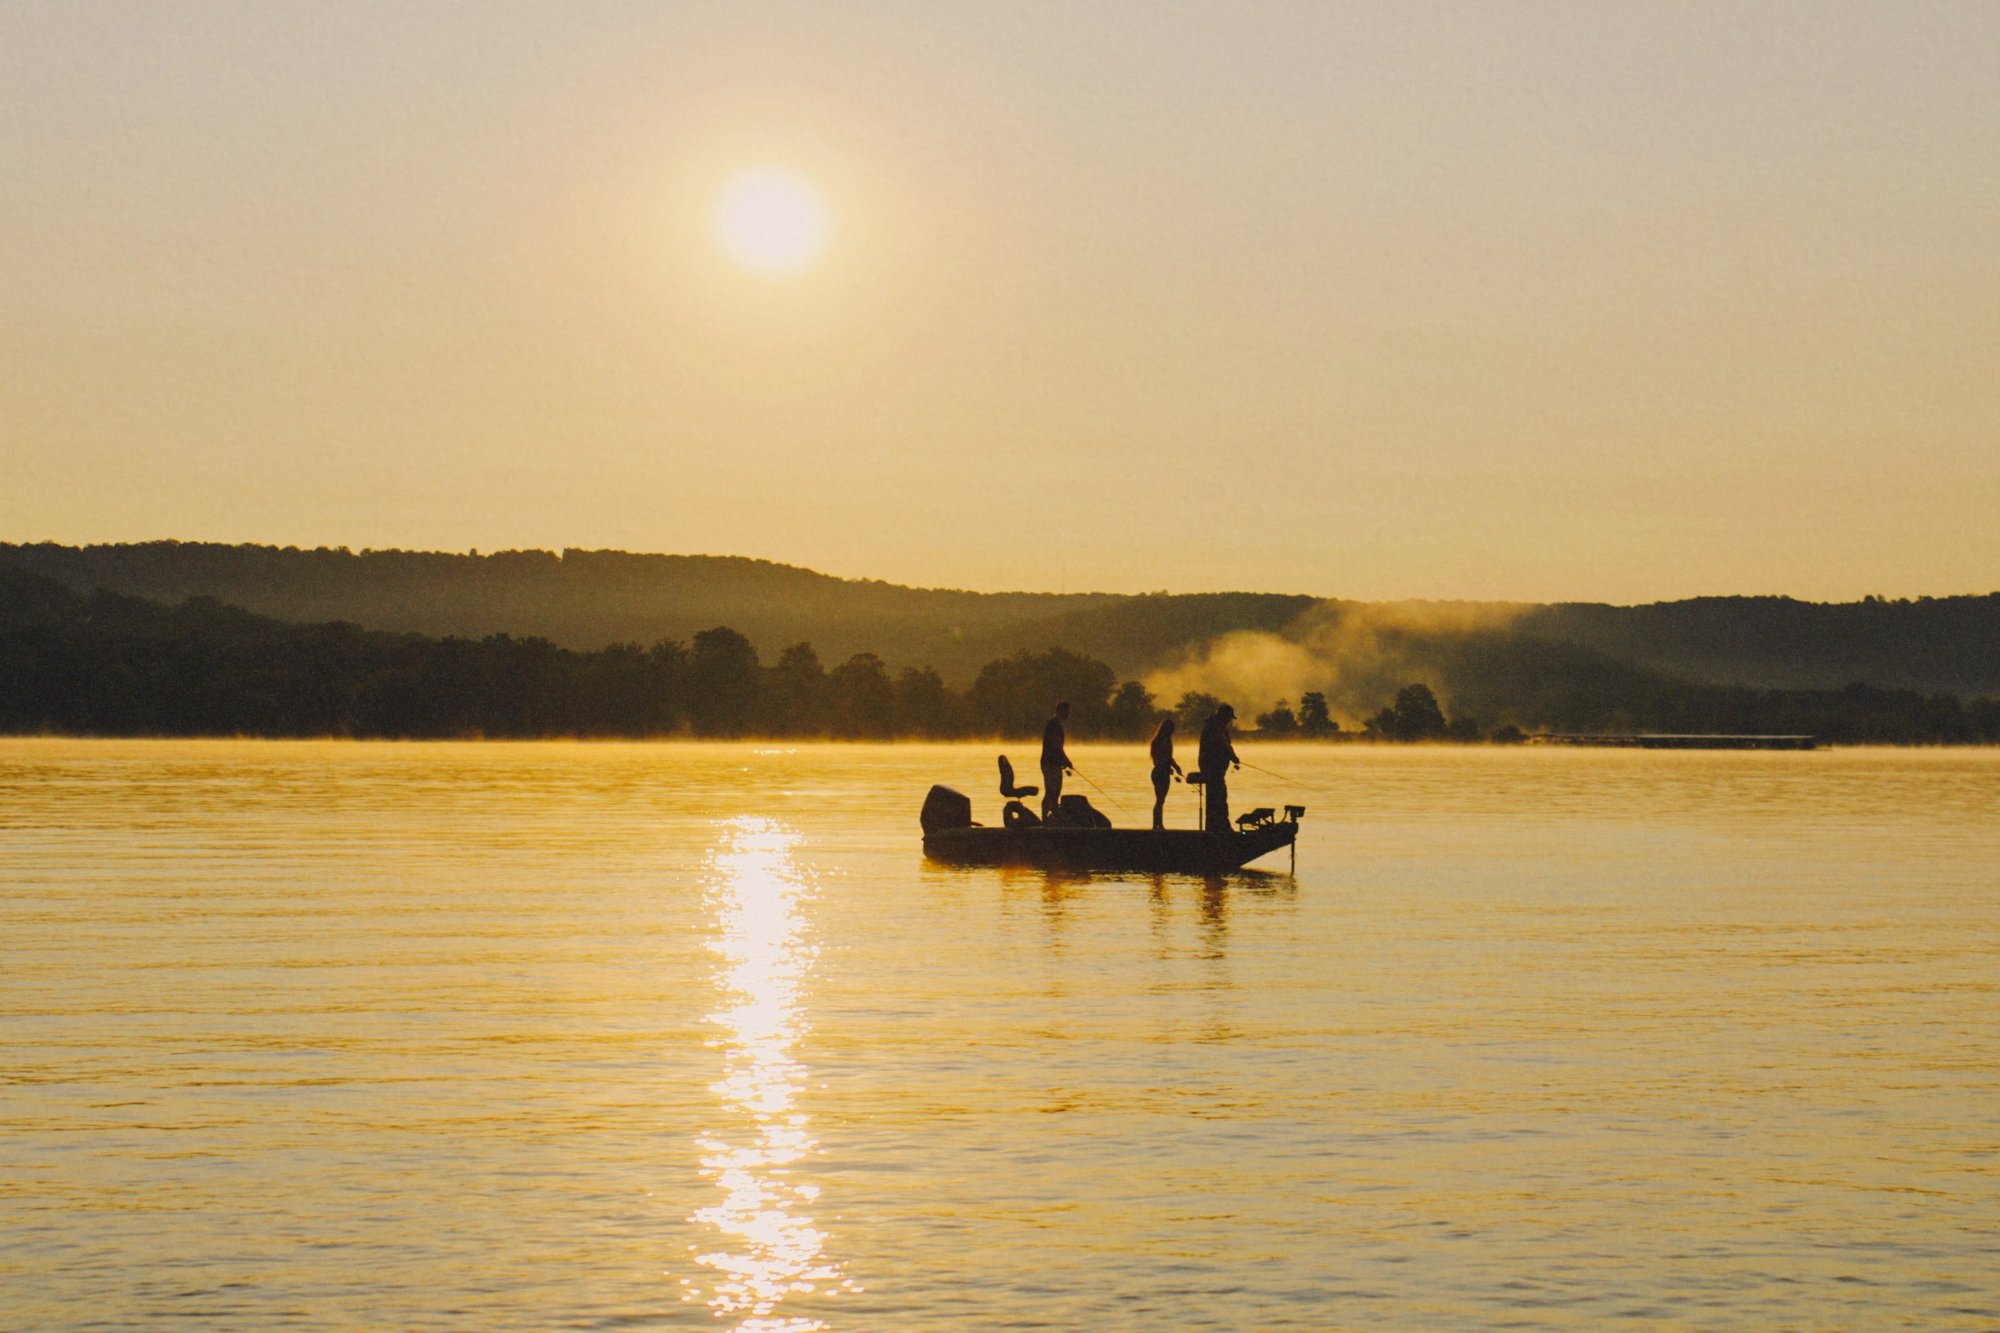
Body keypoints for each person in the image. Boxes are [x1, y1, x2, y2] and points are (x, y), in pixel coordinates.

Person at [1197, 703, 1239, 834]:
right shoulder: (1215, 727)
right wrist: (1233, 757)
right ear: (1223, 716)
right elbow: (1222, 744)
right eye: (1228, 718)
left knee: (1216, 797)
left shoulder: (1216, 726)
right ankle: (1219, 827)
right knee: (1218, 797)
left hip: (1215, 768)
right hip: (1212, 768)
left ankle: (1216, 826)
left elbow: (1226, 745)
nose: (1229, 721)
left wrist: (1232, 756)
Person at [1040, 701, 1073, 821]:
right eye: (1067, 711)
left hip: (1054, 763)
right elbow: (1056, 746)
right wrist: (1066, 761)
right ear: (1060, 711)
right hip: (1049, 763)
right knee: (1051, 791)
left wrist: (1064, 762)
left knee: (1055, 792)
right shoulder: (1054, 725)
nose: (1068, 714)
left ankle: (1052, 817)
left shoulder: (1056, 725)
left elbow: (1057, 747)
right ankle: (1045, 818)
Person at [1148, 715, 1182, 831]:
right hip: (1161, 773)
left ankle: (1157, 825)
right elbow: (1167, 758)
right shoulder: (1165, 741)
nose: (1173, 731)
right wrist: (1175, 767)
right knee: (1160, 800)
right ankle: (1157, 825)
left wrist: (1174, 768)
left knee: (1160, 800)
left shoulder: (1156, 741)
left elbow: (1163, 759)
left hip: (1157, 772)